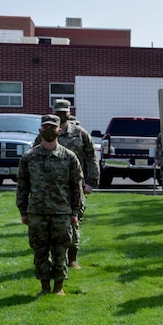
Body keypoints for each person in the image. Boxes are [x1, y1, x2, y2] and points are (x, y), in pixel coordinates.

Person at [17, 114, 83, 297]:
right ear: (40, 131)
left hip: (62, 212)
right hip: (37, 212)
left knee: (60, 251)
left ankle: (58, 287)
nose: (49, 130)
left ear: (59, 131)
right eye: (45, 127)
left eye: (52, 128)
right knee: (40, 251)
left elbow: (76, 187)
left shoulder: (69, 157)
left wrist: (76, 211)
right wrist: (23, 211)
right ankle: (44, 287)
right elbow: (22, 186)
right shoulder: (29, 157)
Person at [33, 99, 98, 268]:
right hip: (49, 188)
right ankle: (52, 260)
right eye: (58, 111)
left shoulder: (80, 133)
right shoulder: (46, 133)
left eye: (64, 111)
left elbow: (91, 157)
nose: (61, 114)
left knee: (74, 220)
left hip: (74, 185)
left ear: (69, 112)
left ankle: (73, 258)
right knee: (51, 224)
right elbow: (33, 157)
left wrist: (91, 182)